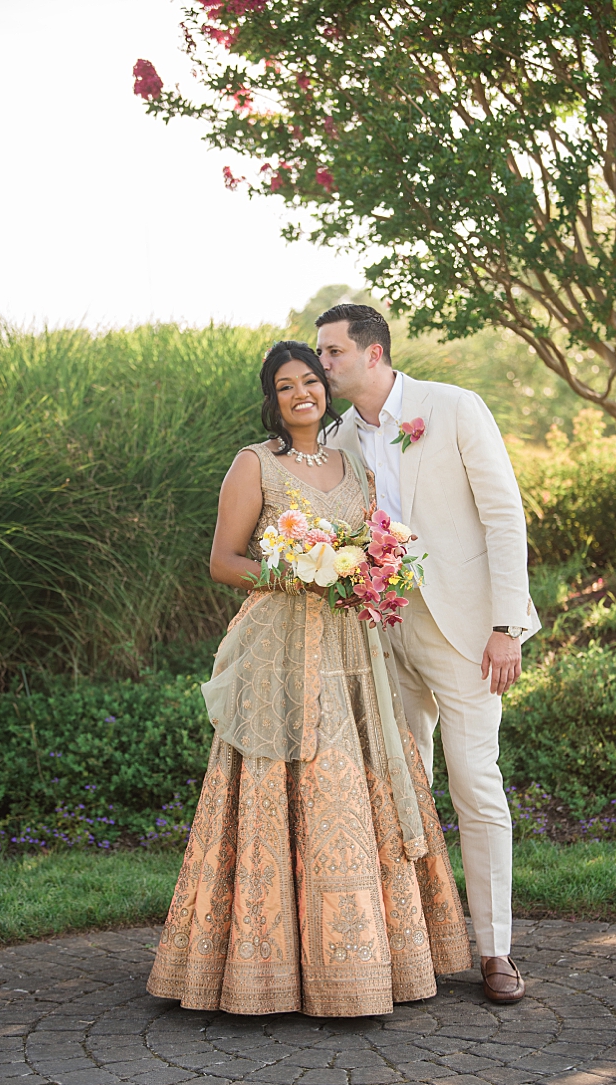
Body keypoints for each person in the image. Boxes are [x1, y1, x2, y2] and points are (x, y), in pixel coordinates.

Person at [147, 341, 471, 1018]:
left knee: (354, 783)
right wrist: (294, 572)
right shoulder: (255, 463)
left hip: (350, 649)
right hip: (279, 646)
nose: (302, 393)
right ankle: (263, 967)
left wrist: (370, 569)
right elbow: (223, 560)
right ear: (273, 397)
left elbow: (376, 542)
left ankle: (365, 964)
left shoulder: (352, 462)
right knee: (278, 784)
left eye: (312, 381)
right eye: (286, 384)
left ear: (326, 390)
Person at [317, 302, 538, 1005]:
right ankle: (412, 944)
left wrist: (507, 623)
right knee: (398, 790)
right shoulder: (336, 435)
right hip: (382, 632)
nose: (323, 365)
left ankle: (495, 950)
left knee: (474, 780)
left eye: (332, 353)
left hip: (469, 631)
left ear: (373, 354)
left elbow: (504, 512)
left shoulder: (453, 408)